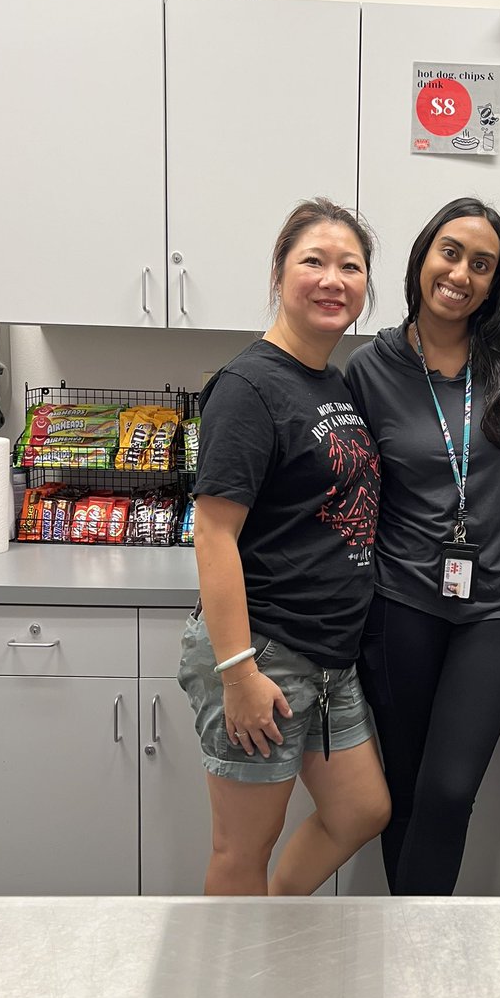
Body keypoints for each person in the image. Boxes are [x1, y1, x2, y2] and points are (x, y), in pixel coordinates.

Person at [178, 198, 390, 896]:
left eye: (350, 266)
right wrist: (238, 674)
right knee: (242, 849)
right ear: (279, 274)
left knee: (362, 810)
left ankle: (268, 925)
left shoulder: (331, 381)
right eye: (314, 262)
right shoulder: (248, 386)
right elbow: (213, 534)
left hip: (328, 658)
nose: (334, 279)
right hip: (265, 650)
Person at [344, 197, 500, 895]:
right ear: (423, 258)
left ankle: (416, 950)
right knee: (402, 789)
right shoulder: (369, 371)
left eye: (482, 264)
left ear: (495, 282)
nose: (461, 273)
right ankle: (416, 957)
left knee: (450, 788)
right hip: (401, 605)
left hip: (495, 611)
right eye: (450, 252)